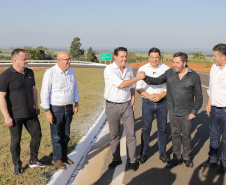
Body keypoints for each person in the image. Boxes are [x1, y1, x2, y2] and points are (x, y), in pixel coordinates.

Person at [143, 52, 203, 168]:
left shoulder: (194, 76)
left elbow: (199, 96)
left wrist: (194, 111)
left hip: (187, 112)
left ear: (184, 63)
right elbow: (157, 80)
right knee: (175, 135)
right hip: (173, 111)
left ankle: (186, 157)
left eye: (177, 62)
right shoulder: (169, 73)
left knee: (186, 136)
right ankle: (177, 157)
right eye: (173, 62)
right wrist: (145, 77)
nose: (174, 65)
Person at [0, 48, 45, 175]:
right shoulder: (5, 76)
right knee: (16, 141)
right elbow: (1, 97)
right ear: (15, 60)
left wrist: (36, 105)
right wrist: (6, 116)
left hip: (30, 113)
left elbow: (34, 89)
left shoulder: (30, 72)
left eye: (26, 58)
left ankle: (33, 160)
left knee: (37, 136)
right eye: (24, 59)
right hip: (15, 115)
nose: (27, 61)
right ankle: (17, 165)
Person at [104, 47, 145, 171]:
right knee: (114, 135)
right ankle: (116, 159)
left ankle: (132, 160)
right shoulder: (109, 70)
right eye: (122, 56)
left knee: (131, 134)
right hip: (112, 106)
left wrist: (133, 98)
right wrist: (138, 78)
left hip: (126, 105)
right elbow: (122, 84)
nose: (124, 58)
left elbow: (131, 85)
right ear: (115, 57)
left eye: (125, 56)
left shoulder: (128, 69)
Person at [40, 51, 80, 170]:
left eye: (69, 59)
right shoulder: (50, 73)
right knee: (56, 136)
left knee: (66, 135)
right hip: (56, 109)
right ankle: (57, 159)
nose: (69, 61)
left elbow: (75, 88)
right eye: (66, 59)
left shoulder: (71, 72)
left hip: (68, 108)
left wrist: (76, 103)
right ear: (59, 60)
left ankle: (64, 156)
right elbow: (45, 93)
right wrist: (47, 111)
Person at [136, 48, 170, 164]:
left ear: (160, 57)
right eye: (152, 57)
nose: (154, 59)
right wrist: (149, 96)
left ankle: (163, 153)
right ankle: (143, 153)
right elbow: (138, 87)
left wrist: (161, 95)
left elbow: (170, 87)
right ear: (148, 57)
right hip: (147, 102)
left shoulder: (166, 69)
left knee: (162, 129)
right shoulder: (142, 69)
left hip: (162, 102)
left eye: (156, 57)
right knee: (146, 129)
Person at [204, 43, 226, 174]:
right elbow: (211, 87)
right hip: (214, 108)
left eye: (215, 56)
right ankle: (212, 160)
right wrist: (209, 102)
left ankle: (224, 163)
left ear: (223, 56)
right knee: (213, 135)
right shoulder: (214, 67)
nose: (213, 58)